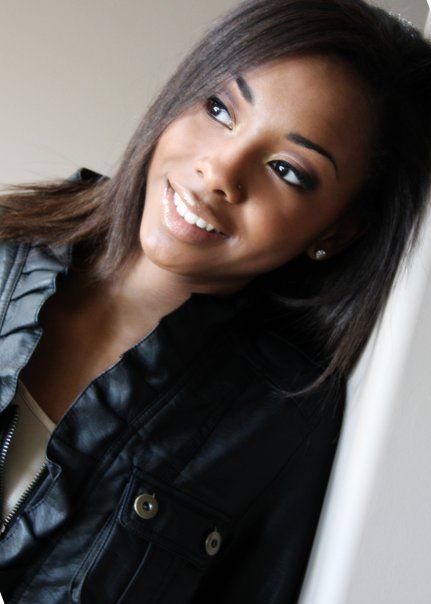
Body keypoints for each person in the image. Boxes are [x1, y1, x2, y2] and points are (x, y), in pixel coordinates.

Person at [0, 0, 430, 602]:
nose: (221, 170)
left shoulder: (278, 427)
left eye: (288, 170)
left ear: (335, 233)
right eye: (220, 108)